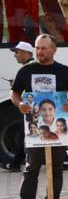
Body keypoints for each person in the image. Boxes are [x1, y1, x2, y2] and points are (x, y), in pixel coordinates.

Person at [11, 34, 68, 199]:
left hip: (58, 128)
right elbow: (14, 93)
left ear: (53, 50)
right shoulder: (26, 71)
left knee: (56, 167)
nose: (39, 52)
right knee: (32, 167)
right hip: (34, 127)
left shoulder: (64, 71)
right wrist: (19, 104)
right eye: (37, 48)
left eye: (43, 48)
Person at [3, 41, 35, 171]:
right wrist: (17, 86)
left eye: (17, 52)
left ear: (25, 52)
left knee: (24, 136)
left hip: (33, 108)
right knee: (25, 135)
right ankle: (65, 160)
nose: (15, 55)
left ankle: (15, 163)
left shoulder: (29, 67)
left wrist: (15, 88)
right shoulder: (30, 66)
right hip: (31, 107)